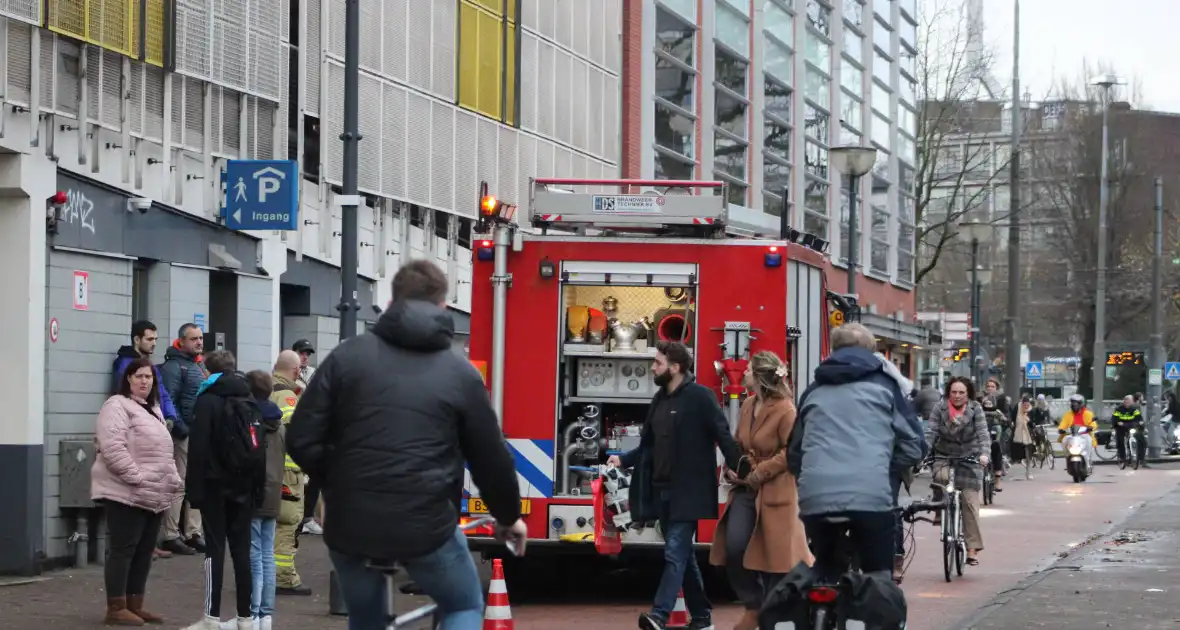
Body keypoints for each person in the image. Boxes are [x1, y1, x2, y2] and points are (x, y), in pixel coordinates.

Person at [287, 260, 526, 630]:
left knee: (364, 618)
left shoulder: (346, 357)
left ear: (392, 299)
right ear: (443, 305)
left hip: (353, 521)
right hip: (426, 523)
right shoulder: (460, 373)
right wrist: (509, 517)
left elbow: (301, 437)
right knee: (462, 604)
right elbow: (490, 459)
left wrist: (336, 483)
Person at [606, 340, 740, 630]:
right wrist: (624, 460)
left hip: (688, 492)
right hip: (660, 490)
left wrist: (743, 469)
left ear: (675, 367)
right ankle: (702, 618)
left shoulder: (701, 397)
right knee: (683, 555)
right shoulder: (660, 399)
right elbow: (648, 445)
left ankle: (659, 615)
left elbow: (723, 434)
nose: (653, 367)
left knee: (674, 552)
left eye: (658, 362)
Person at [788, 323, 924, 584]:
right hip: (870, 495)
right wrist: (885, 467)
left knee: (826, 567)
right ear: (872, 352)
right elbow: (913, 444)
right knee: (877, 574)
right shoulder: (886, 386)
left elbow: (794, 452)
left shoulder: (814, 389)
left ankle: (820, 608)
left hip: (816, 497)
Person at [708, 351, 811, 630]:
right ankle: (754, 605)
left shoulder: (786, 410)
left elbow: (792, 452)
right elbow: (739, 442)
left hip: (776, 490)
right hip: (744, 488)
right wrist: (733, 466)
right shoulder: (747, 404)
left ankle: (770, 614)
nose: (743, 374)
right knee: (734, 548)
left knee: (775, 558)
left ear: (762, 378)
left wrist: (759, 472)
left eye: (749, 370)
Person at [91, 357, 184, 626]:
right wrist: (135, 477)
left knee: (144, 551)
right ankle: (116, 606)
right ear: (128, 379)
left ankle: (135, 603)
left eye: (149, 377)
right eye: (139, 376)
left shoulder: (152, 408)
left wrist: (173, 480)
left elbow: (162, 452)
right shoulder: (116, 406)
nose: (144, 381)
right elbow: (112, 447)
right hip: (125, 491)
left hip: (153, 493)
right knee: (123, 550)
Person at [182, 351, 267, 630]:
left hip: (214, 487)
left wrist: (194, 491)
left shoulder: (207, 401)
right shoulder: (249, 398)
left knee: (214, 551)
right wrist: (258, 490)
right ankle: (245, 618)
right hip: (244, 486)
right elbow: (260, 449)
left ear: (208, 372)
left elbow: (198, 449)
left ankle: (211, 617)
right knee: (242, 552)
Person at [925, 377, 990, 565]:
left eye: (961, 392)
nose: (957, 396)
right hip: (944, 454)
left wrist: (984, 454)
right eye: (954, 392)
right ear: (948, 393)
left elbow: (983, 434)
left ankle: (971, 549)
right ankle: (939, 505)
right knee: (940, 477)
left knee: (970, 502)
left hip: (969, 457)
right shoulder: (940, 408)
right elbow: (930, 433)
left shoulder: (976, 408)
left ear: (968, 393)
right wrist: (922, 452)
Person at [158, 323, 208, 556]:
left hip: (196, 433)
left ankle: (193, 533)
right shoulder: (175, 367)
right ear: (181, 341)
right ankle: (171, 534)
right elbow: (169, 400)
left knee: (195, 483)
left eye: (200, 338)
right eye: (194, 339)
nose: (199, 342)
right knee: (178, 482)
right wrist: (181, 430)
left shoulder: (196, 365)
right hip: (184, 434)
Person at [270, 350, 312, 596]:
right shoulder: (287, 397)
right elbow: (296, 435)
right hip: (289, 473)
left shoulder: (267, 390)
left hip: (272, 472)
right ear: (296, 371)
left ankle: (267, 575)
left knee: (270, 527)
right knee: (288, 525)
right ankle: (284, 578)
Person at [245, 370, 284, 630]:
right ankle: (266, 615)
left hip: (253, 492)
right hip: (273, 492)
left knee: (254, 554)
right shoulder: (280, 425)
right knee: (268, 554)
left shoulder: (251, 421)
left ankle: (254, 612)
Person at [980, 395, 1006, 493]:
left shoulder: (998, 412)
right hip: (981, 439)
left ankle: (998, 480)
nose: (988, 405)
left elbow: (1005, 420)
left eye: (990, 403)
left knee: (997, 450)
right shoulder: (979, 412)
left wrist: (1004, 420)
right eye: (986, 403)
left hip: (994, 439)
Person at [1111, 394, 1145, 465]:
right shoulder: (1119, 409)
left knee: (1141, 439)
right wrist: (1117, 423)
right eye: (1126, 400)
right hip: (1121, 428)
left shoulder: (1134, 409)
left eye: (1129, 401)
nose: (1127, 402)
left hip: (1131, 427)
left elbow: (1139, 418)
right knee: (1120, 440)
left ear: (1132, 402)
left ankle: (1141, 458)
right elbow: (1114, 419)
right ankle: (1122, 457)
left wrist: (1141, 423)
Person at [1010, 397, 1036, 480]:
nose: (1026, 407)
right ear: (1022, 404)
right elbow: (1012, 418)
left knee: (1029, 455)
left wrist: (1029, 421)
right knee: (1015, 455)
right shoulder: (1017, 408)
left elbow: (1033, 424)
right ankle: (1006, 468)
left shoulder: (1031, 411)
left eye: (1027, 405)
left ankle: (1028, 473)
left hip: (1028, 436)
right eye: (1024, 405)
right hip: (1017, 435)